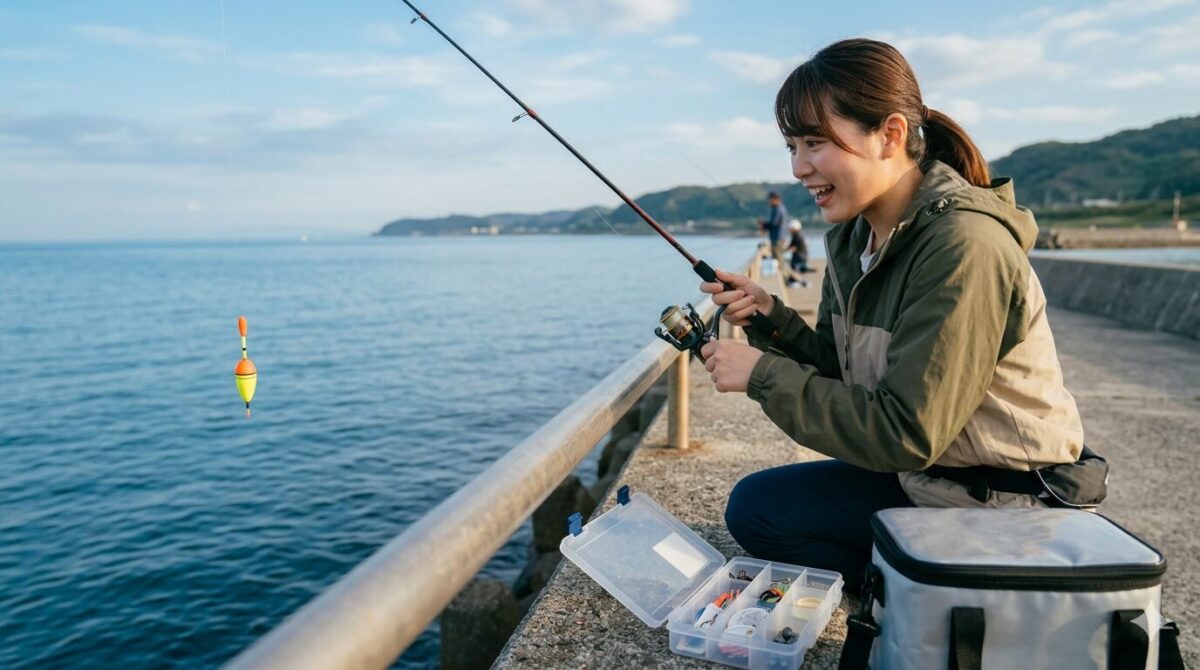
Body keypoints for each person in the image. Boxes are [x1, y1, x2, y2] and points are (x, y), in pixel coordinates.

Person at [696, 38, 1087, 589]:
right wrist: (770, 320)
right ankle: (908, 591)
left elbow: (906, 431)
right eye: (791, 145)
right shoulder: (855, 240)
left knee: (770, 516)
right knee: (757, 509)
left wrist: (761, 376)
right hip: (929, 480)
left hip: (1004, 503)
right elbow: (842, 376)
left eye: (814, 142)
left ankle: (921, 597)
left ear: (891, 135)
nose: (798, 167)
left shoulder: (963, 246)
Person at [757, 192, 789, 275]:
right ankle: (784, 275)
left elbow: (774, 223)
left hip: (777, 238)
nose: (769, 202)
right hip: (781, 237)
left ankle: (784, 276)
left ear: (775, 199)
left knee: (777, 257)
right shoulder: (782, 208)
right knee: (779, 257)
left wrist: (763, 224)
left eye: (770, 200)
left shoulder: (778, 209)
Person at [785, 219, 811, 285]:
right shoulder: (798, 235)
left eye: (790, 228)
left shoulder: (797, 236)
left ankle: (794, 281)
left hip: (799, 256)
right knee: (792, 266)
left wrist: (782, 251)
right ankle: (793, 280)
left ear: (794, 228)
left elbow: (793, 247)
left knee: (792, 267)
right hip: (802, 255)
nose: (789, 230)